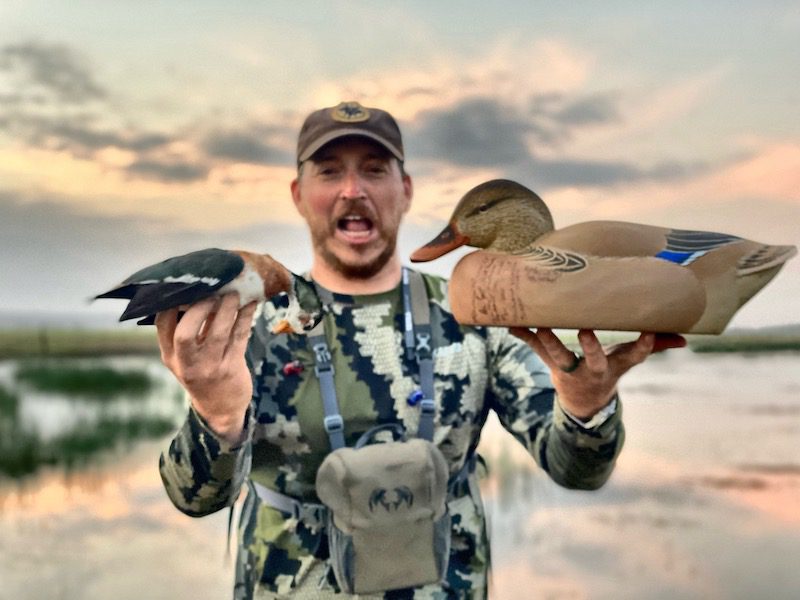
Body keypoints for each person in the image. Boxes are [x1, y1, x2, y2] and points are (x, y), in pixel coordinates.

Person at [156, 101, 685, 599]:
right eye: (329, 171)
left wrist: (587, 407)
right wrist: (216, 416)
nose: (352, 190)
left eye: (373, 169)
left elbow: (578, 472)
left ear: (405, 190)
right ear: (298, 193)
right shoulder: (256, 324)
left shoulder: (479, 315)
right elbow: (194, 497)